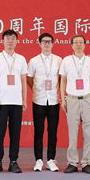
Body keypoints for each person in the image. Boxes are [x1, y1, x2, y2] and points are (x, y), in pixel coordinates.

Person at [0, 30, 28, 173]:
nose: (10, 41)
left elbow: (23, 81)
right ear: (3, 41)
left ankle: (13, 161)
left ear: (16, 41)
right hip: (1, 102)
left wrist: (24, 99)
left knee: (15, 133)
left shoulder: (21, 59)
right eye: (7, 38)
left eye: (13, 38)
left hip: (16, 101)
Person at [59, 35, 90, 174]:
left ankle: (87, 162)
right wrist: (63, 99)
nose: (78, 45)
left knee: (88, 132)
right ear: (72, 45)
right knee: (72, 132)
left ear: (85, 45)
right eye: (76, 42)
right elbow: (63, 80)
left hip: (87, 99)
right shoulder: (66, 60)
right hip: (72, 99)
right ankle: (72, 162)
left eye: (81, 42)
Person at [27, 33, 62, 172]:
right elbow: (29, 78)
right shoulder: (34, 61)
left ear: (53, 44)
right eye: (44, 41)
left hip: (53, 100)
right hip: (39, 100)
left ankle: (51, 160)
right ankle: (39, 160)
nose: (46, 44)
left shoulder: (59, 60)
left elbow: (61, 78)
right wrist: (36, 90)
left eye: (49, 41)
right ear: (40, 44)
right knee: (39, 131)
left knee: (53, 132)